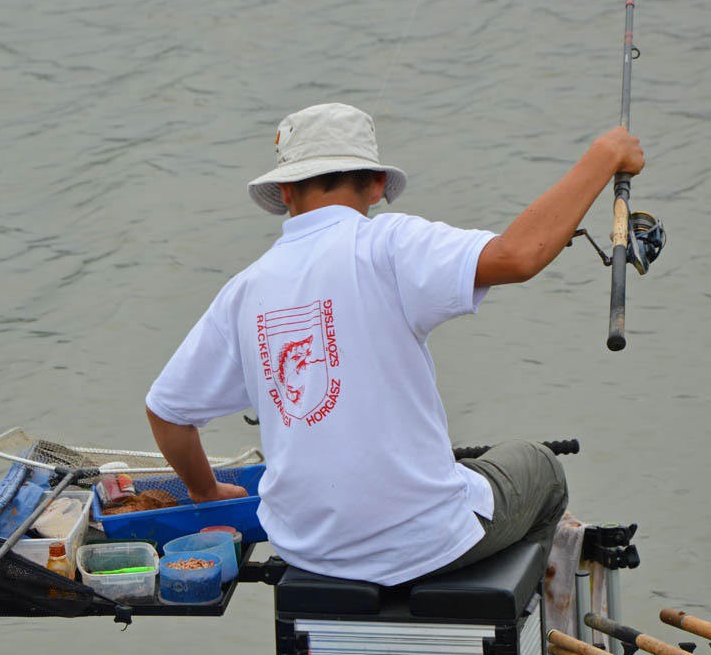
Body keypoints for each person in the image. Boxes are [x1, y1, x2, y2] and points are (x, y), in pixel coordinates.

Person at [144, 103, 645, 585]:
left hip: (307, 548)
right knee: (538, 465)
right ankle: (507, 622)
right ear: (378, 185)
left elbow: (167, 413)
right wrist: (604, 156)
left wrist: (205, 490)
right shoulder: (387, 242)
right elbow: (517, 257)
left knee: (466, 470)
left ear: (286, 194)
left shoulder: (244, 290)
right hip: (423, 544)